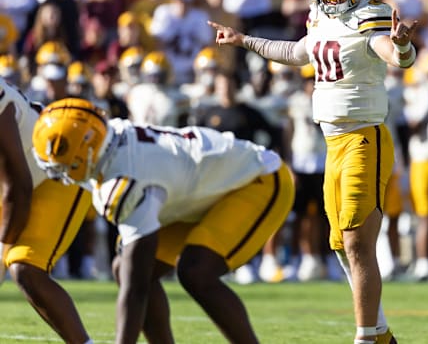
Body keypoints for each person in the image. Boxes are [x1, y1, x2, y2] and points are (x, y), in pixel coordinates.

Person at [208, 0, 417, 343]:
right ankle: (382, 333)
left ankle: (364, 338)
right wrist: (243, 40)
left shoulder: (370, 14)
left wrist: (403, 45)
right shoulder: (319, 18)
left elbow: (394, 54)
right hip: (331, 142)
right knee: (340, 243)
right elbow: (296, 52)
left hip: (364, 138)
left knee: (357, 240)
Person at [31, 97, 295, 344]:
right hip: (197, 188)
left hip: (254, 180)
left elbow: (135, 291)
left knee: (195, 273)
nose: (56, 167)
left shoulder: (126, 179)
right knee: (123, 267)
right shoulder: (111, 137)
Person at [0, 77, 94, 343]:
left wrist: (2, 249)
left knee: (24, 266)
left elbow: (18, 187)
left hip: (58, 170)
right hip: (18, 182)